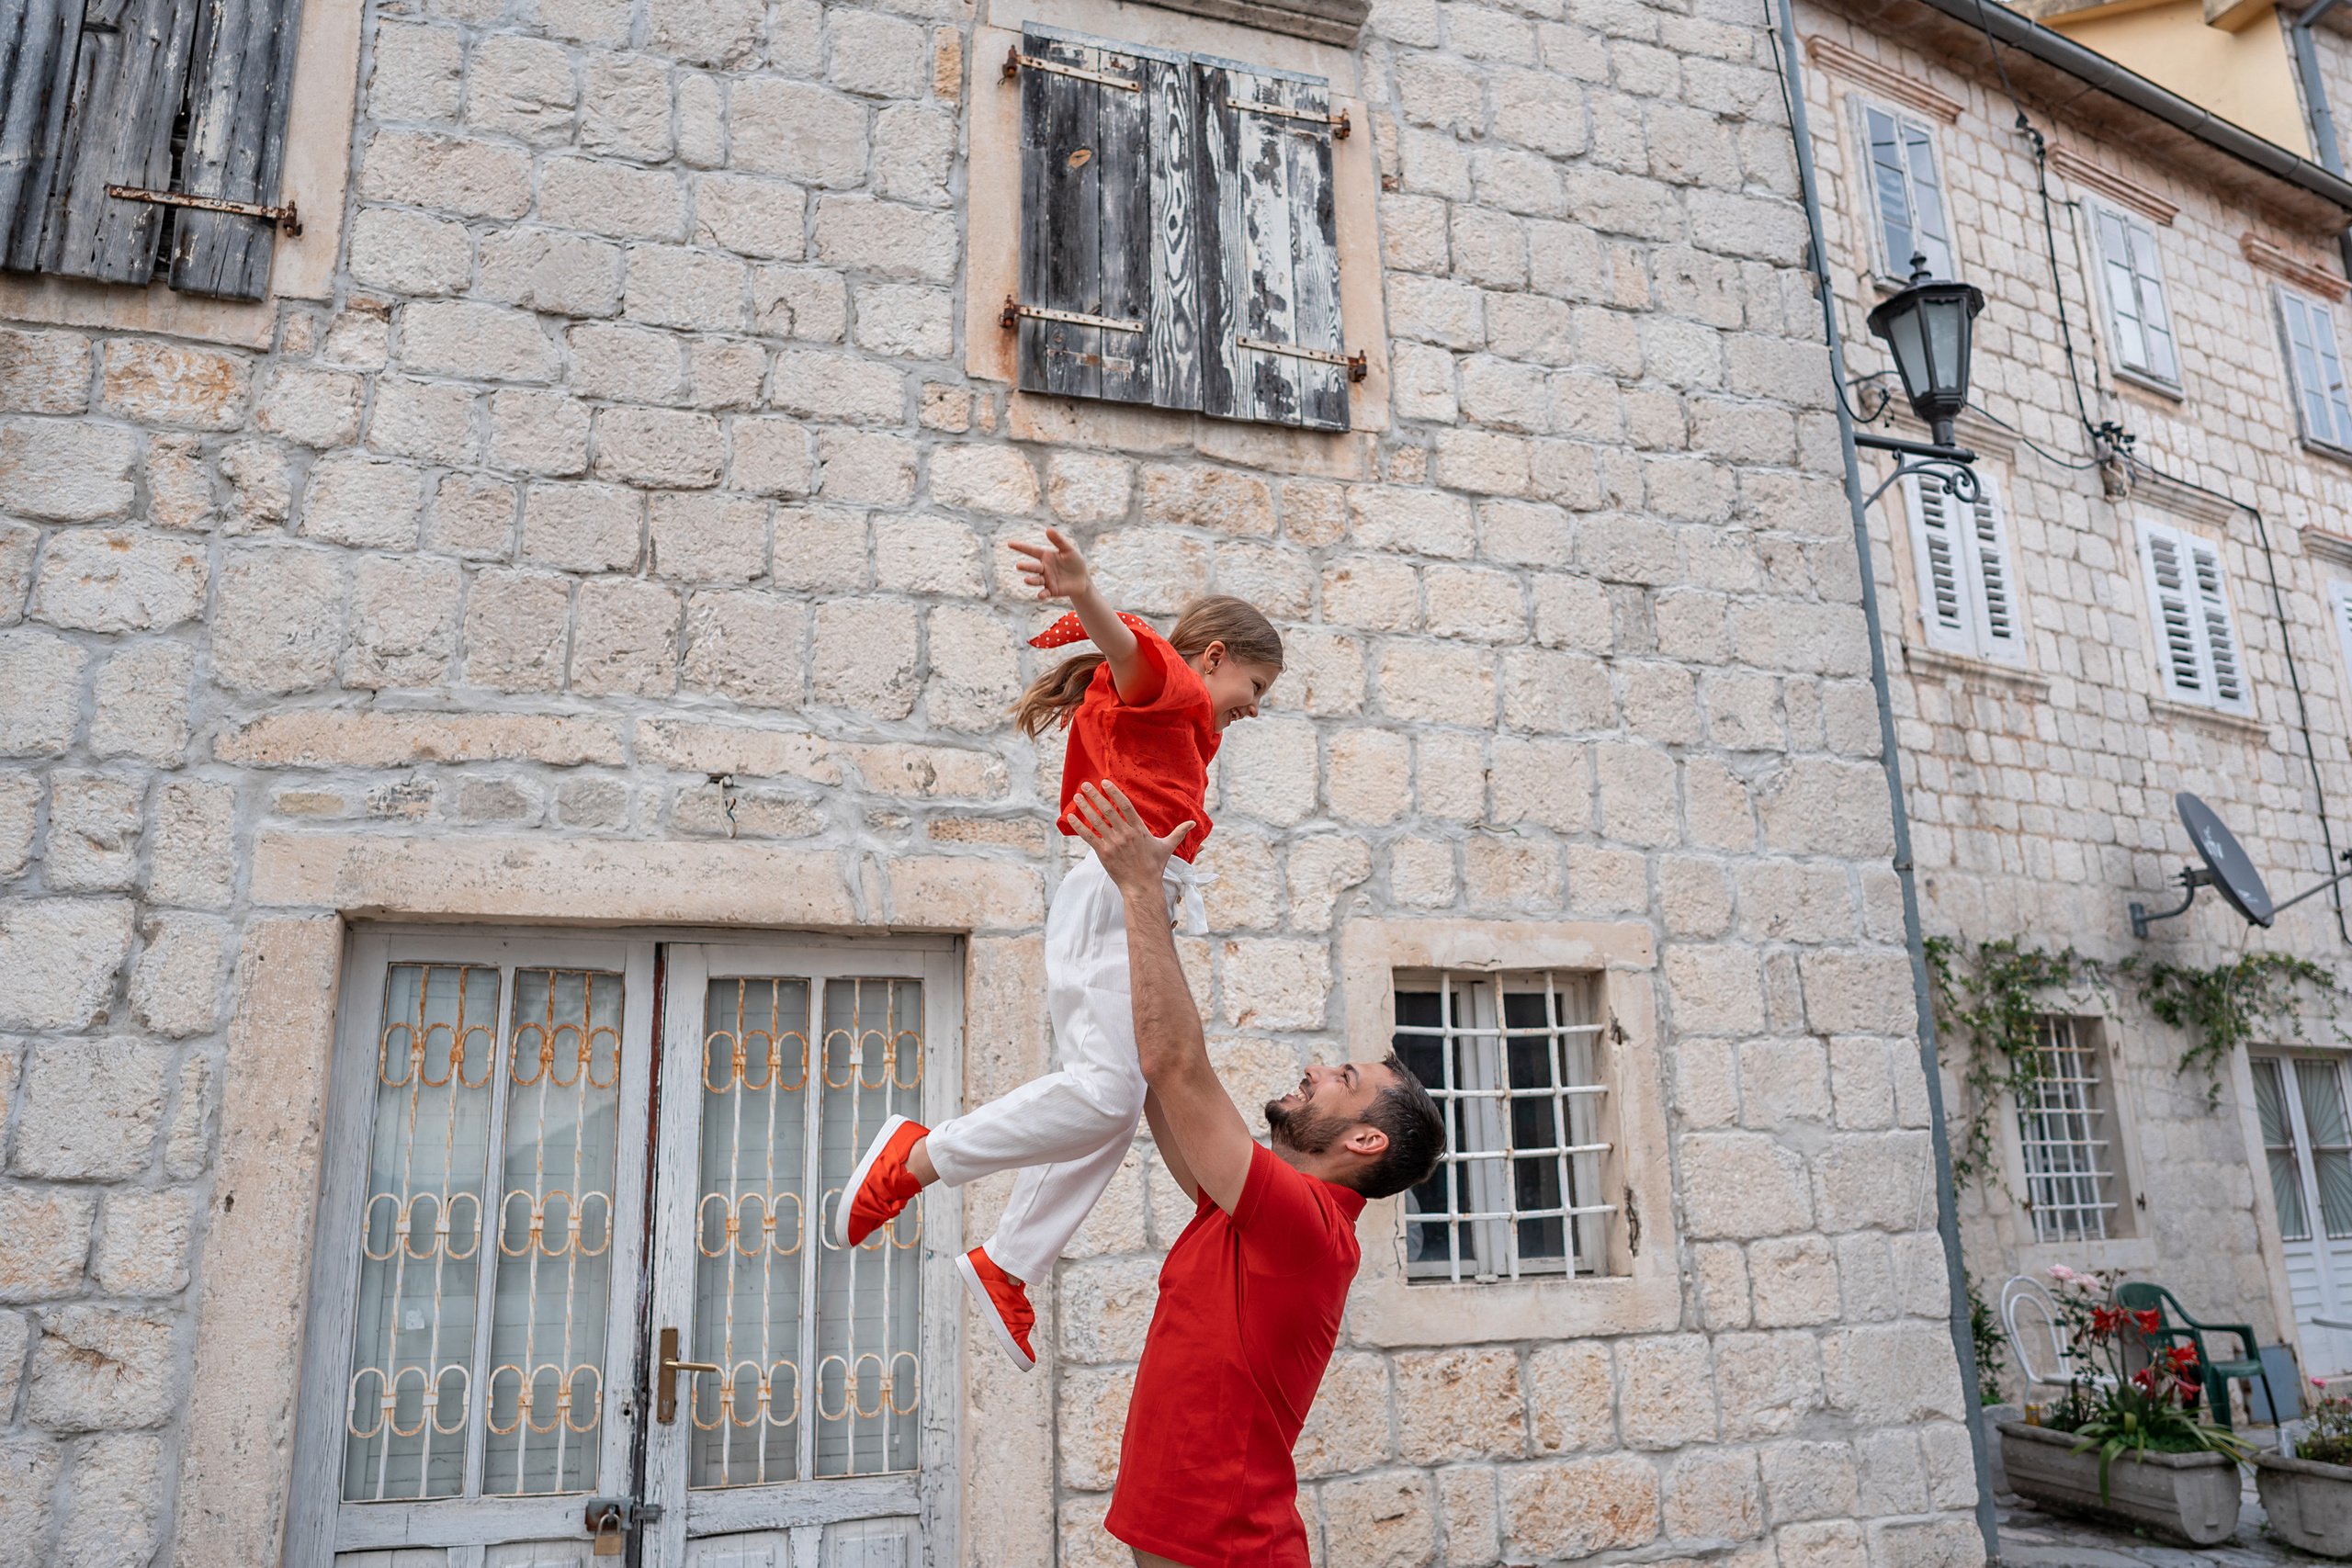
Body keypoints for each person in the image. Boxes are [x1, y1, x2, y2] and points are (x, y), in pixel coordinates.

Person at [835, 527, 1286, 1369]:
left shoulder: (1192, 724)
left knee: (1111, 1107)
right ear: (1217, 658)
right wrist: (1085, 594)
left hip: (1137, 903)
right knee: (1106, 1096)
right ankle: (918, 1157)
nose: (1255, 705)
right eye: (1255, 686)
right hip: (1115, 899)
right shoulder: (1178, 689)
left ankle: (1007, 1262)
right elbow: (1134, 654)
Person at [1064, 779, 1446, 1568]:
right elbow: (1155, 1078)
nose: (1314, 1067)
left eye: (1342, 1075)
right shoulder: (1247, 1210)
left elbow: (1177, 1066)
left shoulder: (1308, 1230)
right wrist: (1142, 913)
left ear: (1367, 1138)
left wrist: (1140, 884)